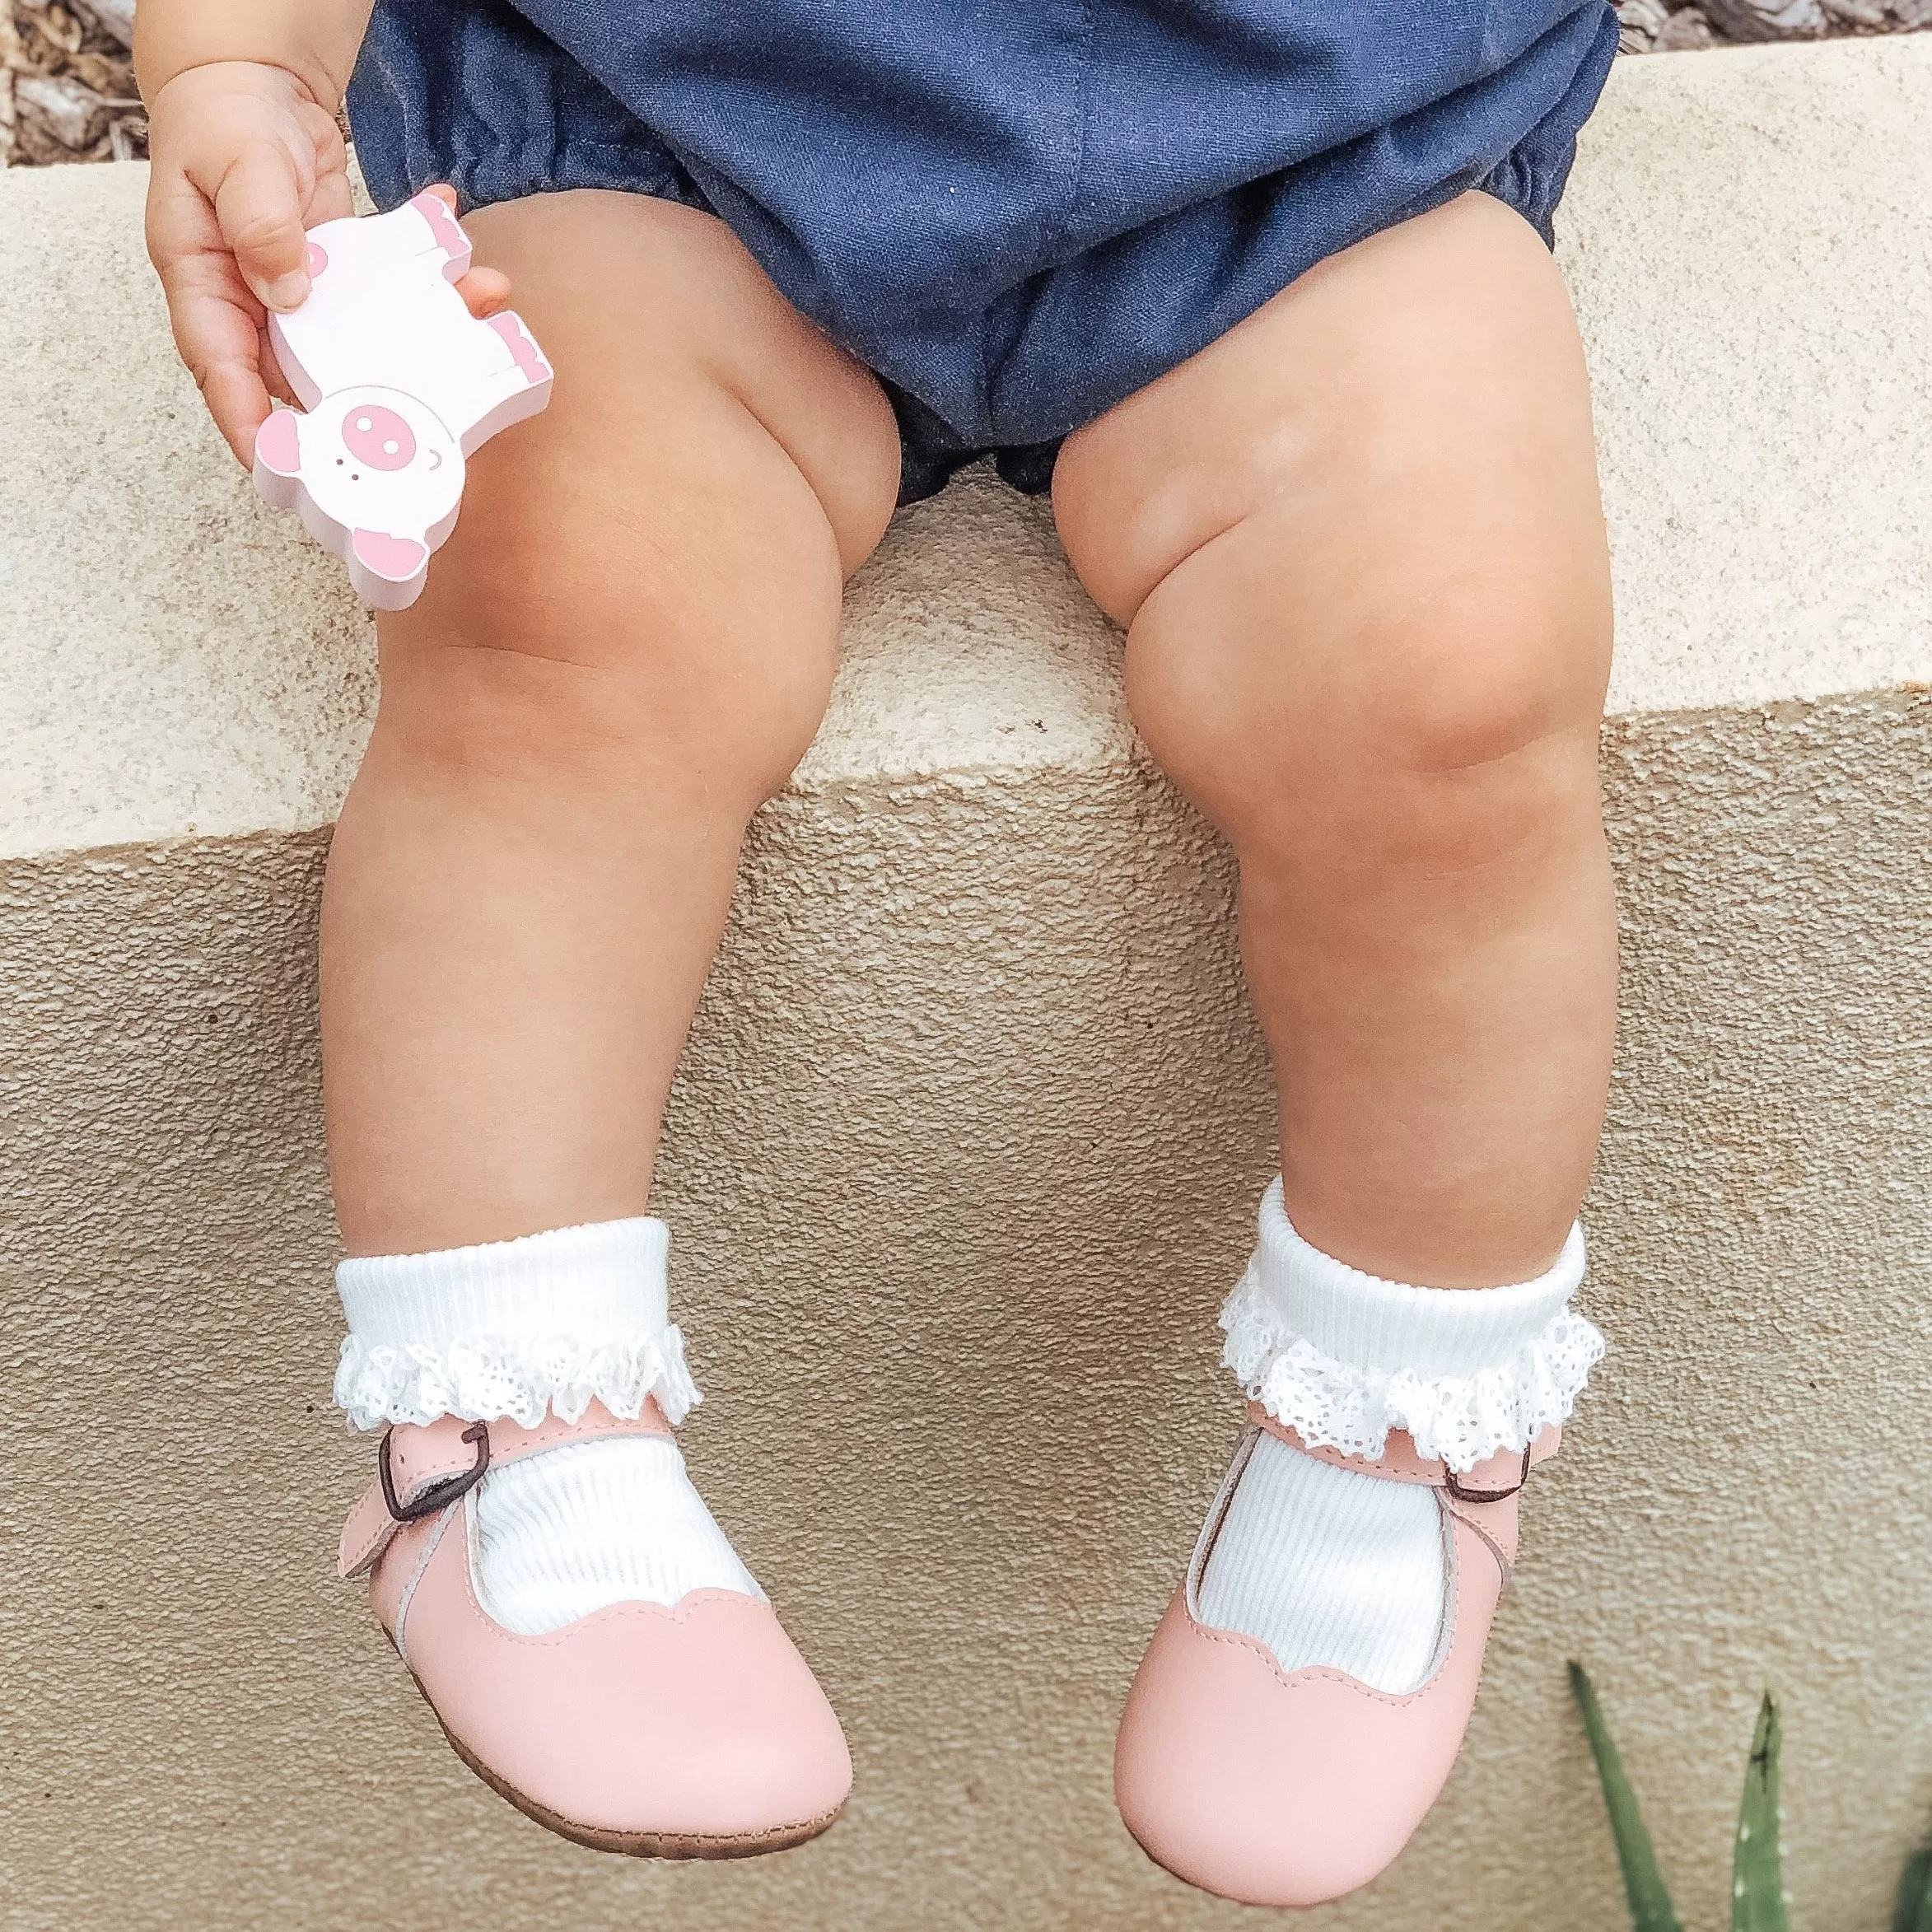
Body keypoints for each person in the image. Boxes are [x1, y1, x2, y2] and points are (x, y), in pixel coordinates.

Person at [138, 0, 1621, 1903]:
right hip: (667, 130)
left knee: (1448, 677)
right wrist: (235, 61)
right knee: (565, 613)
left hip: (1327, 154)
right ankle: (499, 1419)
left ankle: (1405, 1426)